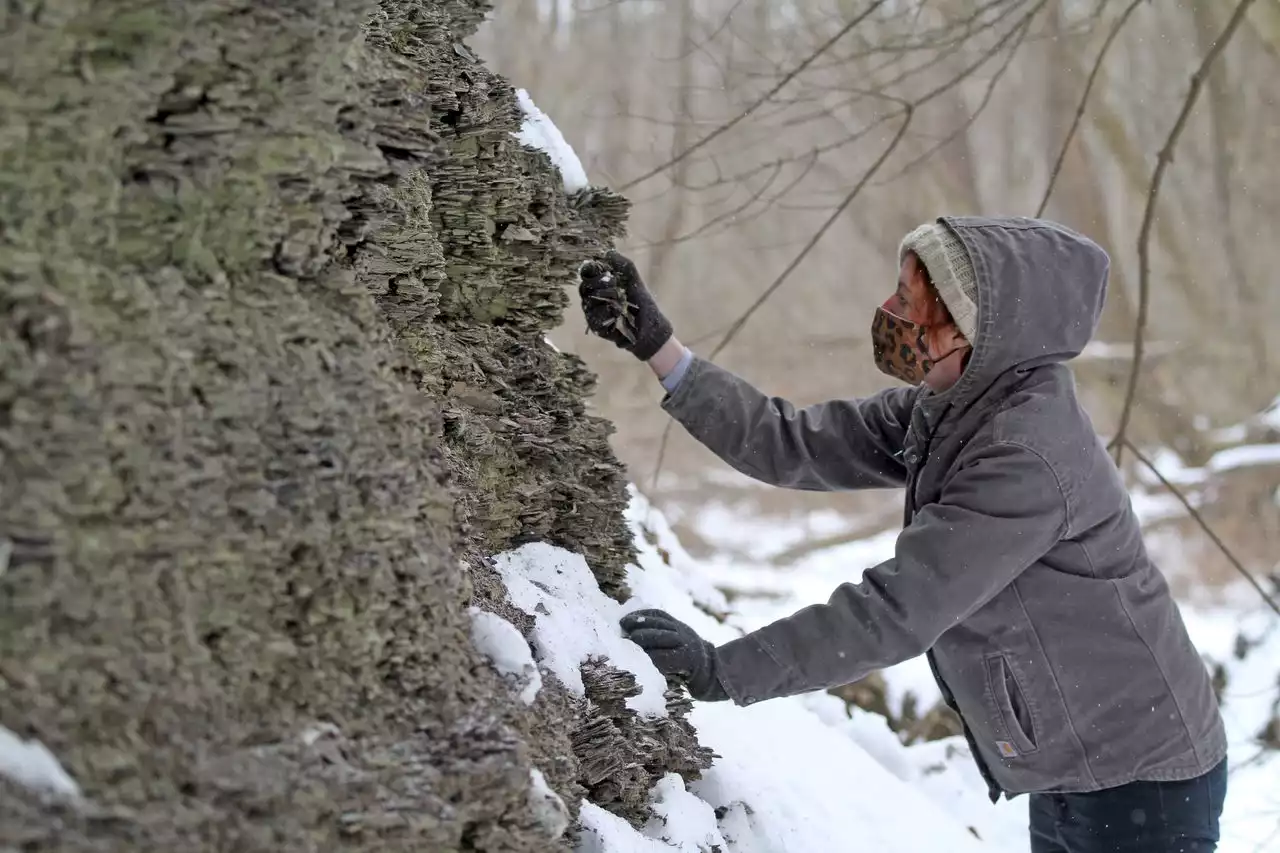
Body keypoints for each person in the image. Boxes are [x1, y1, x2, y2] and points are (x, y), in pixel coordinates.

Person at [577, 217, 1228, 853]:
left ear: (975, 328)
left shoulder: (1024, 455)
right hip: (1074, 762)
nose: (889, 310)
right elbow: (793, 442)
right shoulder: (953, 406)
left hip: (1142, 777)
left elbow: (895, 611)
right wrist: (662, 350)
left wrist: (724, 670)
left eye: (910, 301)